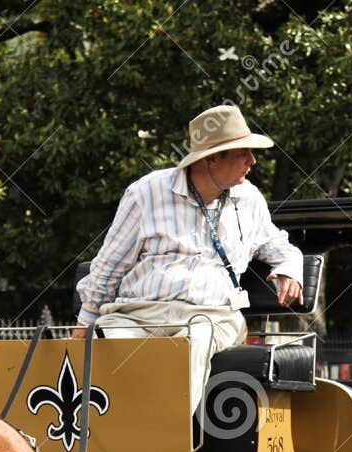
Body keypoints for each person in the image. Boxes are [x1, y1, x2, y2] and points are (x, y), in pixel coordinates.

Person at [73, 104, 304, 415]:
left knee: (193, 340)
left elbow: (278, 244)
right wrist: (84, 326)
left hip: (211, 317)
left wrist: (289, 269)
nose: (253, 160)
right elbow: (110, 265)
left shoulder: (249, 199)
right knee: (107, 342)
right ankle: (107, 446)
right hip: (138, 315)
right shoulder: (146, 193)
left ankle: (170, 444)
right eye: (243, 152)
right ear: (211, 158)